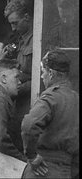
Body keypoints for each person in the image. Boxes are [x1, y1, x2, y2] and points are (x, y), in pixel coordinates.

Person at [21, 49, 79, 178]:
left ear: (51, 73)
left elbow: (29, 125)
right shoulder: (76, 99)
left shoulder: (51, 97)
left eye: (43, 72)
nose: (42, 77)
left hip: (43, 169)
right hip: (67, 171)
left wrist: (32, 156)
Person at [3, 0, 34, 152]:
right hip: (18, 103)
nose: (13, 28)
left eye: (15, 23)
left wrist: (18, 87)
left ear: (27, 17)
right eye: (11, 24)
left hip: (31, 103)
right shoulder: (21, 39)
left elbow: (41, 78)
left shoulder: (38, 40)